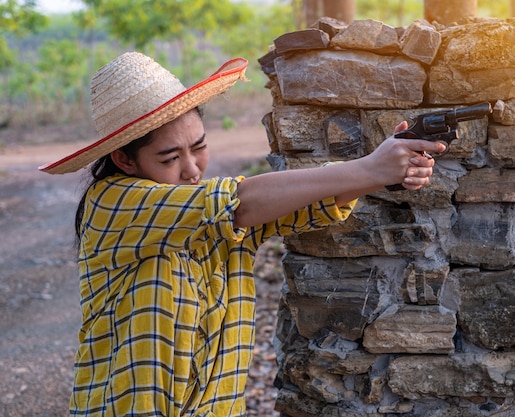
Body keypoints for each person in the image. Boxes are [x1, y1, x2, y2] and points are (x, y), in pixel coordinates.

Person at [39, 51, 443, 417]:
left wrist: (391, 167)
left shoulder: (216, 215)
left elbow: (311, 202)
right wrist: (372, 168)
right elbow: (239, 202)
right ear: (124, 159)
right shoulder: (111, 203)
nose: (192, 169)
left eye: (198, 147)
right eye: (170, 158)